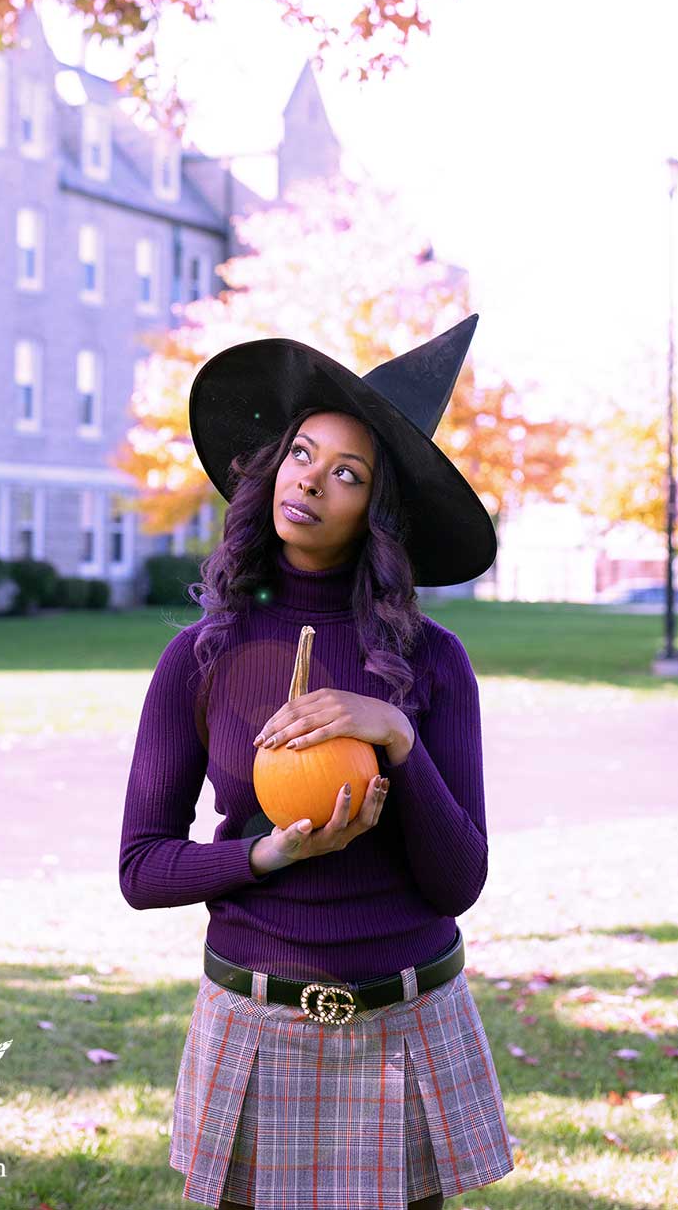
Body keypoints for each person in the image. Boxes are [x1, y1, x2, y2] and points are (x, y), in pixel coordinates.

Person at [119, 314, 515, 1210]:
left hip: (406, 1018)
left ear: (374, 513)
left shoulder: (435, 662)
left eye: (349, 473)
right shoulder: (201, 656)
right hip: (256, 1022)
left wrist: (396, 737)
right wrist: (265, 854)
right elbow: (141, 868)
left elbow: (459, 879)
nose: (313, 481)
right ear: (273, 466)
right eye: (303, 452)